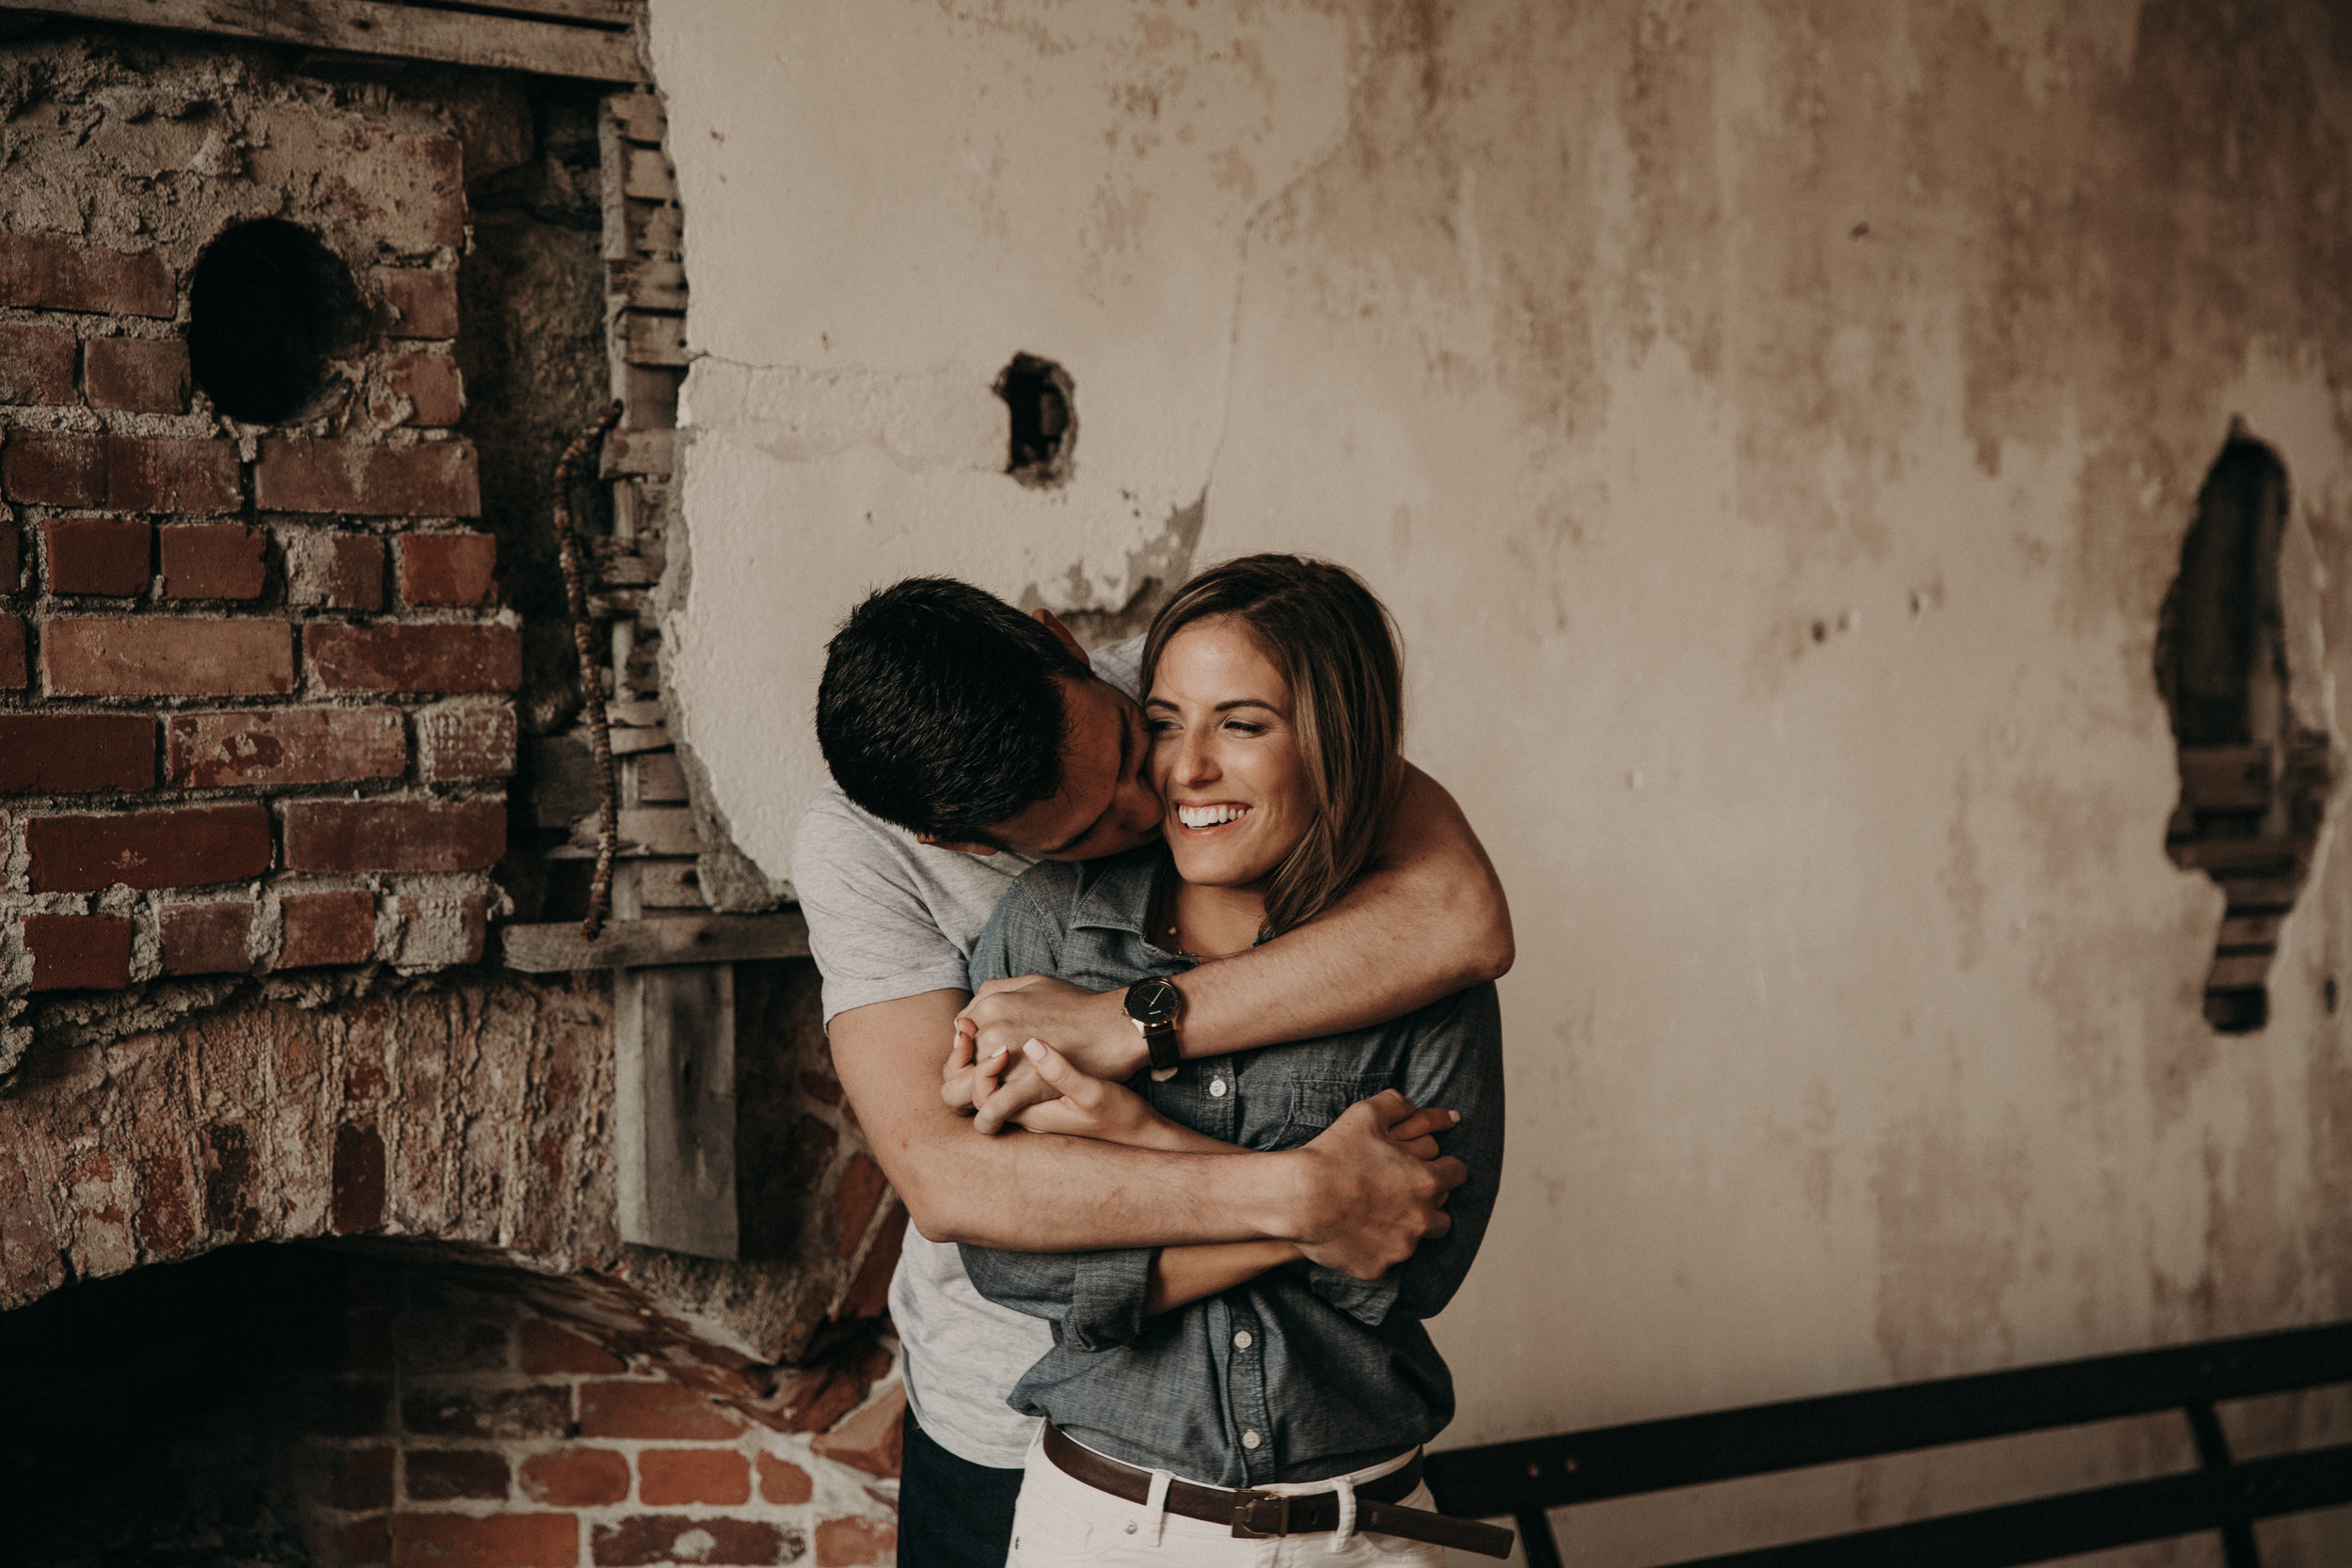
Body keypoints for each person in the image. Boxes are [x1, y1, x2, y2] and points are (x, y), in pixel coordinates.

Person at [795, 575, 1514, 1567]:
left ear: (1064, 642)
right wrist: (1303, 1191)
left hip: (1325, 1470)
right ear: (958, 841)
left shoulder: (1197, 676)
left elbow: (1459, 917)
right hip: (1015, 1415)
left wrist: (1128, 1026)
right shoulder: (873, 860)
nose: (1158, 796)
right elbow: (954, 1181)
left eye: (1135, 745)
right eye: (1085, 829)